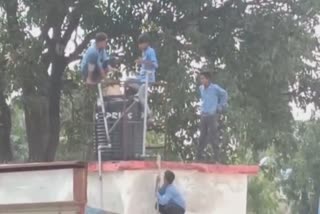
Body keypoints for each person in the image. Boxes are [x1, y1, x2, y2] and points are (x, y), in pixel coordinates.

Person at [126, 33, 158, 120]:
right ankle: (142, 92)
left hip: (148, 79)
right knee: (128, 81)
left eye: (141, 43)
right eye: (139, 44)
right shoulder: (143, 52)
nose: (139, 46)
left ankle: (149, 113)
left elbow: (155, 64)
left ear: (146, 43)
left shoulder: (151, 51)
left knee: (141, 96)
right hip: (141, 78)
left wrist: (143, 62)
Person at [196, 71, 228, 161]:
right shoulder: (201, 88)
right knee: (202, 136)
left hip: (212, 114)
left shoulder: (215, 88)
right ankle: (198, 157)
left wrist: (220, 106)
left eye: (203, 78)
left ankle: (217, 158)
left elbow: (224, 94)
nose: (201, 80)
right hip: (204, 114)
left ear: (208, 79)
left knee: (213, 137)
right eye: (200, 78)